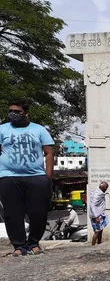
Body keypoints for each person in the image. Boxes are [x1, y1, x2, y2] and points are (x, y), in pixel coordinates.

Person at [0, 100, 54, 256]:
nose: (12, 115)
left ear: (26, 113)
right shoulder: (2, 129)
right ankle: (19, 246)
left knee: (38, 212)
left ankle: (34, 243)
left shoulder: (39, 129)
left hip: (36, 176)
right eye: (10, 111)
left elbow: (49, 153)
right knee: (12, 213)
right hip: (8, 176)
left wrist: (47, 177)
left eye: (16, 112)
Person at [89, 181, 109, 245]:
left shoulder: (100, 192)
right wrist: (96, 216)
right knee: (97, 231)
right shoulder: (96, 195)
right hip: (96, 216)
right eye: (106, 188)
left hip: (101, 214)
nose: (106, 189)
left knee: (101, 230)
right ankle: (93, 246)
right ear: (103, 188)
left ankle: (99, 244)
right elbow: (93, 206)